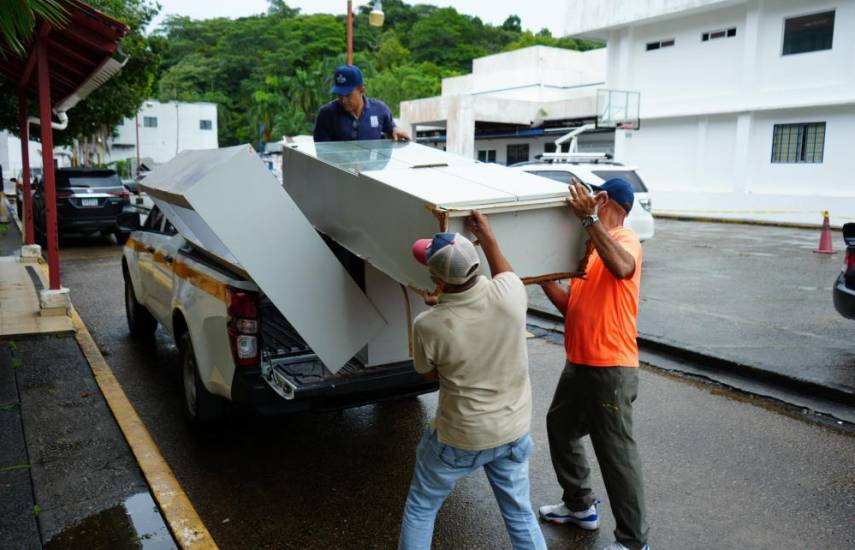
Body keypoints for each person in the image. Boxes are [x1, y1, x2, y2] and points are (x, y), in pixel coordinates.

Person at [398, 211, 546, 550]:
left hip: (461, 438)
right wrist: (489, 236)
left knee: (422, 507)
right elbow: (502, 275)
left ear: (436, 278)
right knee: (520, 514)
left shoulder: (429, 325)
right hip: (512, 431)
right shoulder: (511, 295)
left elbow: (428, 373)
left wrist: (440, 310)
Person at [538, 178, 650, 550]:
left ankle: (633, 542)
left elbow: (623, 268)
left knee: (616, 454)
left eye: (594, 197)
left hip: (610, 368)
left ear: (605, 201)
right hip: (580, 361)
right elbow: (574, 309)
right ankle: (579, 506)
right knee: (560, 426)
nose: (587, 202)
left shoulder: (623, 239)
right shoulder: (589, 252)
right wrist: (542, 281)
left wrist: (590, 221)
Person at [313, 64, 410, 142]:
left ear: (362, 90)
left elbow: (391, 128)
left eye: (348, 95)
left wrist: (395, 130)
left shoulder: (380, 109)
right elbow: (321, 152)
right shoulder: (326, 114)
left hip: (372, 166)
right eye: (339, 94)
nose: (343, 100)